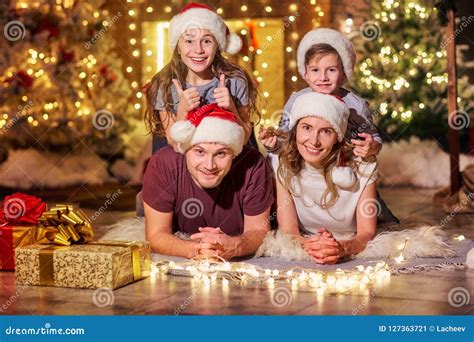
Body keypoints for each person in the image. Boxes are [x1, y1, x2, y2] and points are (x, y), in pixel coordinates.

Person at [259, 28, 398, 224]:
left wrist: (371, 146)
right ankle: (283, 218)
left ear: (343, 74)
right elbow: (286, 137)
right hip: (309, 168)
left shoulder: (355, 105)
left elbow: (373, 137)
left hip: (344, 166)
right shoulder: (297, 100)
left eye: (331, 70)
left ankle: (381, 219)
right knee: (275, 162)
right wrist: (273, 144)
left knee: (368, 197)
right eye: (315, 70)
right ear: (305, 73)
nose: (323, 77)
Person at [142, 104, 274, 259]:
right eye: (200, 152)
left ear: (234, 153)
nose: (209, 165)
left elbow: (259, 231)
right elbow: (156, 234)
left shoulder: (253, 164)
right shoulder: (162, 164)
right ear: (185, 150)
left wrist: (235, 246)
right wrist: (194, 249)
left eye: (221, 154)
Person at [272, 92, 378, 264]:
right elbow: (289, 231)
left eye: (326, 131)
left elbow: (366, 233)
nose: (314, 141)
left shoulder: (364, 167)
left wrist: (341, 248)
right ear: (295, 130)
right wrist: (314, 247)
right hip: (309, 239)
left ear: (338, 137)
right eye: (306, 127)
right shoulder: (283, 164)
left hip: (347, 238)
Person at [145, 2, 260, 154]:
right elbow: (173, 144)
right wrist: (182, 112)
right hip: (182, 159)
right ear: (178, 47)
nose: (198, 50)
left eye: (206, 41)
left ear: (217, 45)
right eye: (189, 41)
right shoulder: (164, 85)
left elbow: (244, 139)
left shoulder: (235, 80)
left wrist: (231, 108)